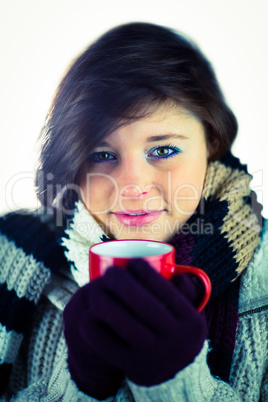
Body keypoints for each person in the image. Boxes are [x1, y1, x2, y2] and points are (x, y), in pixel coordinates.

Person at [0, 22, 267, 401]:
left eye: (163, 150)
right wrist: (80, 388)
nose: (131, 186)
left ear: (212, 143)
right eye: (103, 155)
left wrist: (178, 384)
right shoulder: (8, 253)